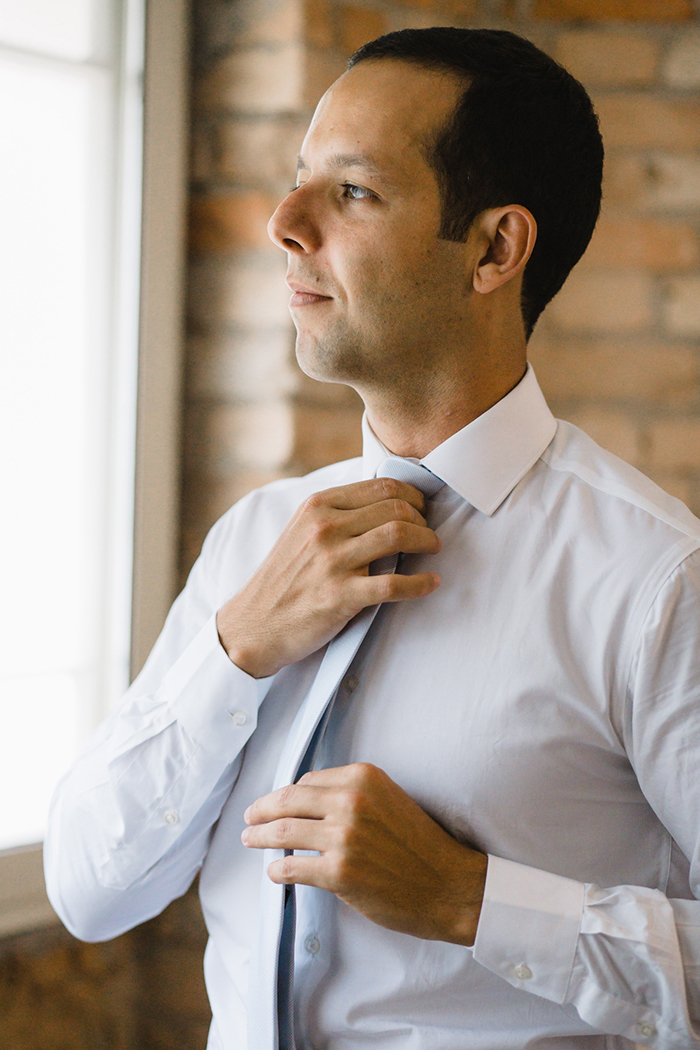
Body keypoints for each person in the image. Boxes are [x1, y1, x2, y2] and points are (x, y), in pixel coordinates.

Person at [45, 26, 700, 1050]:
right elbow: (89, 890)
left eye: (351, 193)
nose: (281, 222)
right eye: (297, 178)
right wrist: (235, 652)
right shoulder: (256, 541)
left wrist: (473, 903)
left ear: (493, 249)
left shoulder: (655, 581)